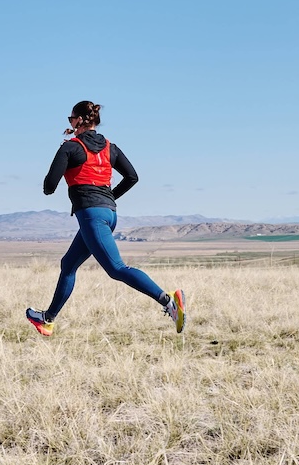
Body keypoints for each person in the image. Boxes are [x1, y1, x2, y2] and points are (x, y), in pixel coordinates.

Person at [25, 100, 185, 337]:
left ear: (79, 120)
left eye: (70, 119)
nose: (69, 123)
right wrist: (109, 196)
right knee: (68, 265)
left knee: (117, 269)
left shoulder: (70, 147)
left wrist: (64, 165)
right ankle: (47, 319)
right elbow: (132, 177)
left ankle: (167, 300)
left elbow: (49, 186)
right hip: (109, 214)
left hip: (92, 216)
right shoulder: (111, 147)